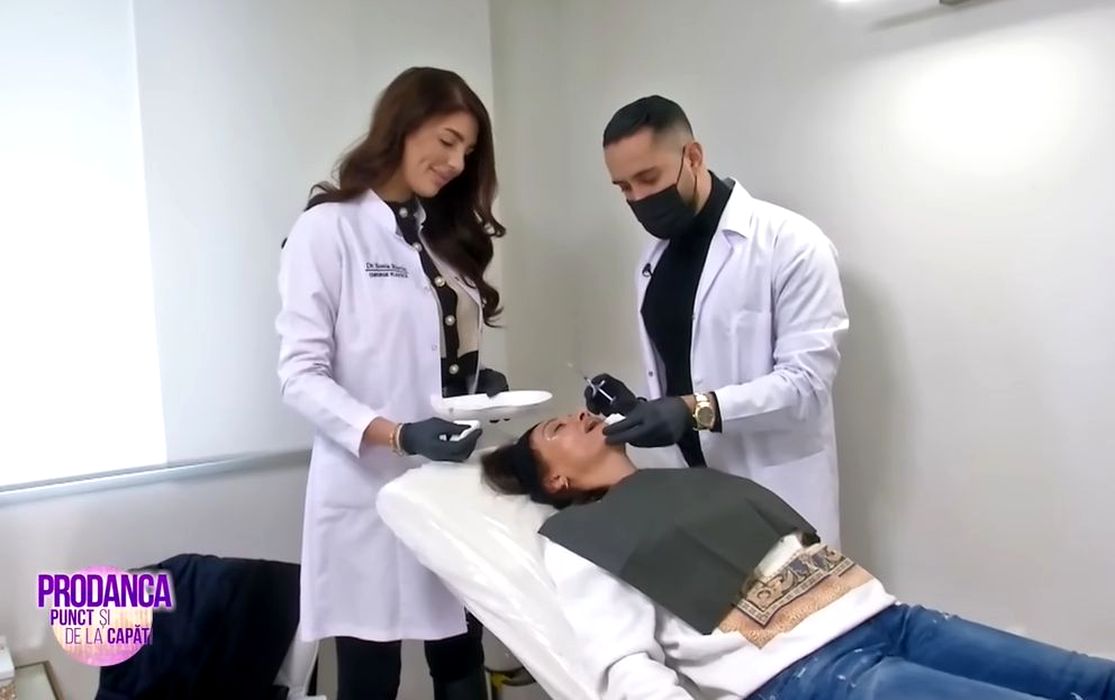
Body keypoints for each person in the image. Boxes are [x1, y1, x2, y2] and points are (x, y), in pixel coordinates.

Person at [480, 411, 1115, 700]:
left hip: (892, 620)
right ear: (556, 481)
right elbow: (624, 663)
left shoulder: (686, 480)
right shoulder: (582, 539)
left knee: (1094, 680)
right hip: (815, 676)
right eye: (558, 429)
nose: (581, 415)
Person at [276, 66, 509, 700]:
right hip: (367, 490)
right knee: (371, 672)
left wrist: (473, 384)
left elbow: (428, 351)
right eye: (447, 140)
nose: (456, 163)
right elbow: (300, 376)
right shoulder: (329, 229)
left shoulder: (438, 235)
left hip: (447, 486)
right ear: (403, 127)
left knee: (460, 656)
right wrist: (400, 434)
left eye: (467, 151)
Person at [586, 95, 848, 544]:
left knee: (792, 591)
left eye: (648, 178)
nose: (639, 198)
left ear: (693, 156)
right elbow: (685, 368)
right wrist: (640, 408)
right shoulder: (653, 261)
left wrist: (692, 410)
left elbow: (806, 386)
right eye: (624, 187)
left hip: (777, 491)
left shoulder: (791, 244)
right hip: (694, 495)